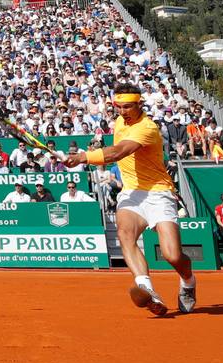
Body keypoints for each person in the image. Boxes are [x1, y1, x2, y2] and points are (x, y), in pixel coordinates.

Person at [63, 83, 196, 315]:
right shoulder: (120, 121)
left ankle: (188, 281)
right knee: (126, 235)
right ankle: (147, 290)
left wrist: (83, 157)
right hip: (131, 191)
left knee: (172, 255)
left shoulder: (147, 127)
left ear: (139, 104)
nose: (122, 111)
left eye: (127, 107)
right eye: (118, 107)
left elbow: (120, 151)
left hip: (158, 192)